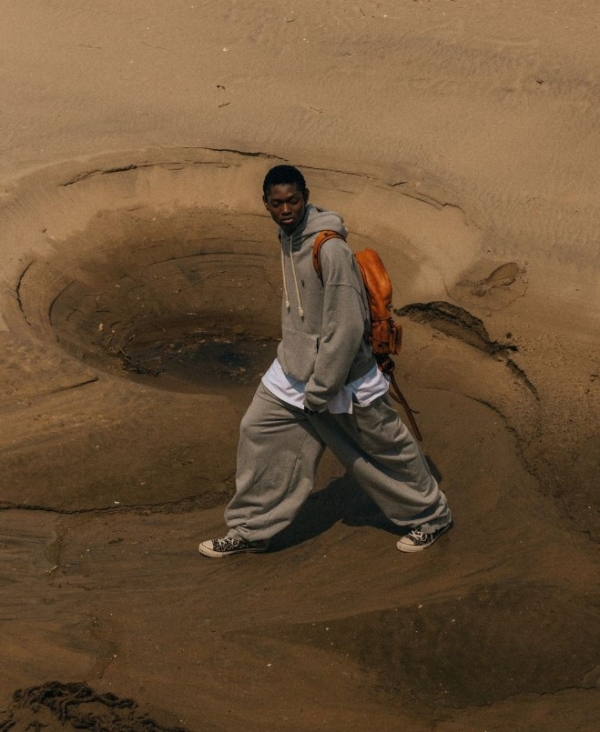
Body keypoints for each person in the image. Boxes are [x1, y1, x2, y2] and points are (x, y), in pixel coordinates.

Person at [199, 165, 452, 558]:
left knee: (383, 448)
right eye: (277, 203)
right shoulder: (287, 236)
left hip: (341, 377)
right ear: (265, 203)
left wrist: (321, 388)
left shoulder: (330, 249)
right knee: (259, 432)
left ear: (306, 197)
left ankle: (433, 517)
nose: (286, 209)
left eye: (293, 201)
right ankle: (250, 529)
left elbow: (347, 328)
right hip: (293, 371)